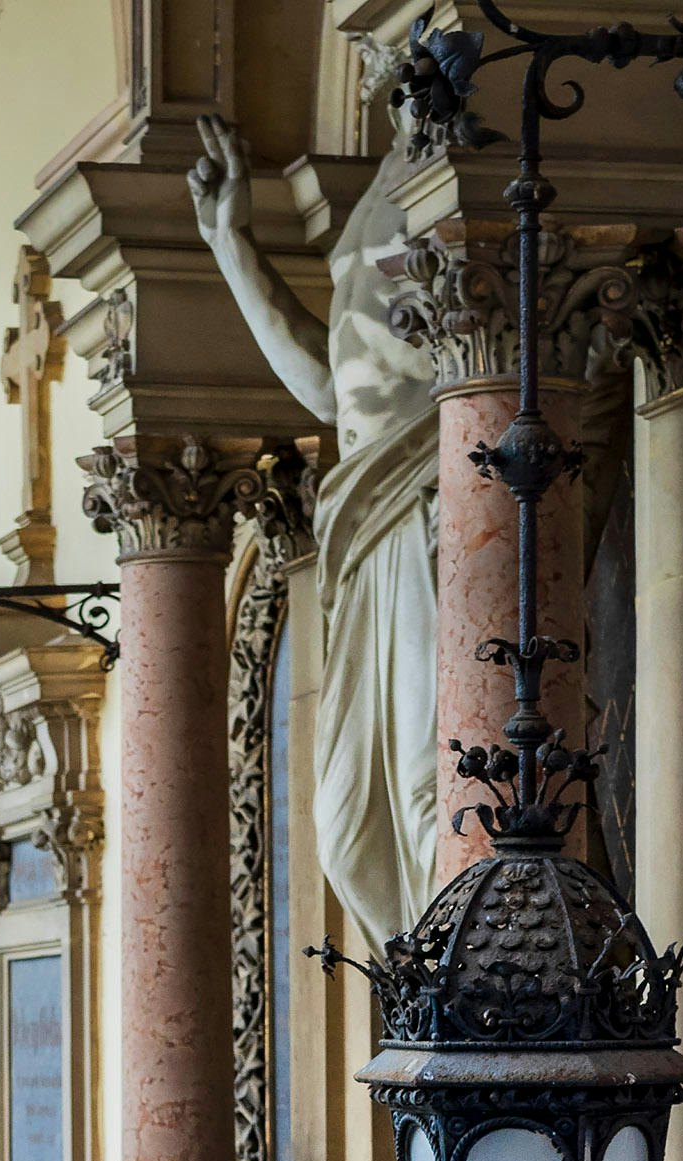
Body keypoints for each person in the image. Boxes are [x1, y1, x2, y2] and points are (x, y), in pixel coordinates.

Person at [186, 114, 451, 942]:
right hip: (365, 513)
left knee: (424, 784)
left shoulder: (467, 138)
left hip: (428, 492)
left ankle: (477, 997)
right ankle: (433, 989)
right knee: (343, 829)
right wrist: (234, 249)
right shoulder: (391, 170)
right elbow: (336, 389)